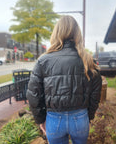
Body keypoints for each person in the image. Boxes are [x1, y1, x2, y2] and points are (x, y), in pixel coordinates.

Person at [26, 15, 102, 144]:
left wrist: (40, 119)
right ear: (77, 34)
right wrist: (89, 117)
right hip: (80, 118)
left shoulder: (43, 60)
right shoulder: (88, 60)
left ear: (56, 33)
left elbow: (33, 94)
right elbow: (96, 93)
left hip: (54, 120)